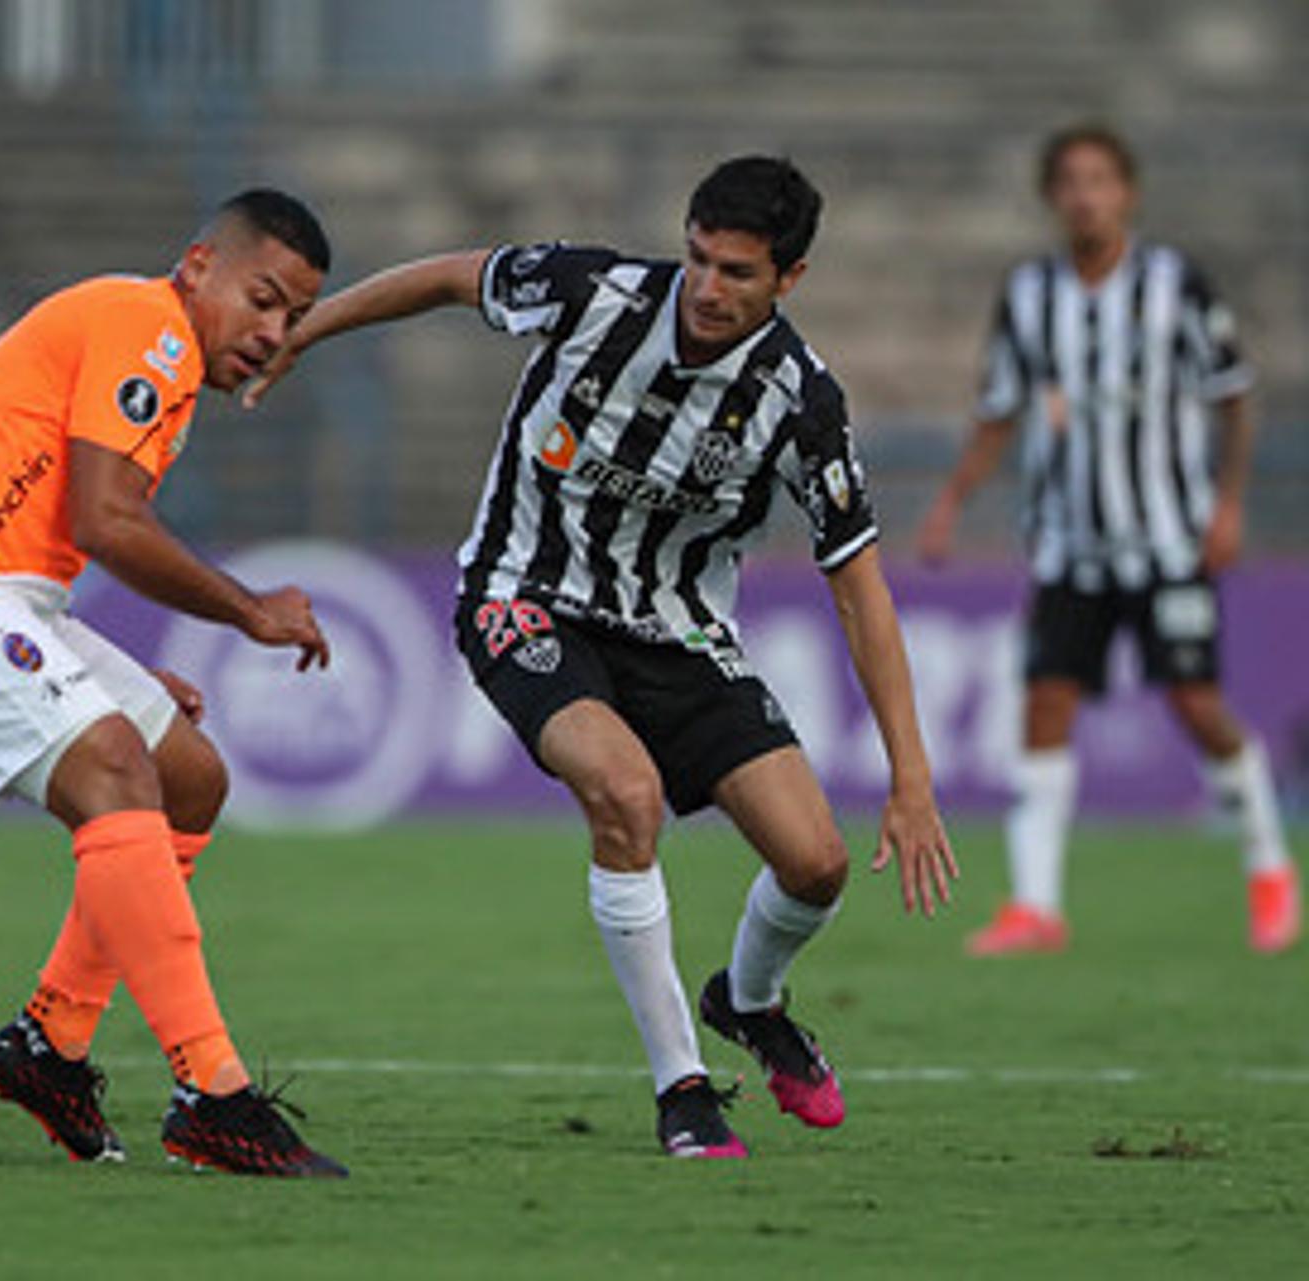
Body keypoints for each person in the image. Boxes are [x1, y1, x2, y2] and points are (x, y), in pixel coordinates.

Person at [246, 156, 958, 1159]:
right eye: (700, 259)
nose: (708, 289)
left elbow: (862, 588)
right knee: (624, 795)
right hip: (524, 600)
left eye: (739, 273)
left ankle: (748, 1003)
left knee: (816, 863)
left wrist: (912, 778)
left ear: (789, 280)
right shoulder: (594, 294)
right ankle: (683, 1090)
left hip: (678, 632)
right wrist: (304, 335)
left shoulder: (802, 401)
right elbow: (456, 276)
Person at [0, 189, 346, 1178]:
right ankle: (215, 1093)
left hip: (3, 603)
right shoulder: (145, 325)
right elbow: (109, 522)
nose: (274, 333)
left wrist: (95, 661)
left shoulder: (159, 359)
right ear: (199, 265)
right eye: (264, 299)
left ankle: (50, 1043)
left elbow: (55, 539)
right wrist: (248, 609)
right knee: (114, 767)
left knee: (187, 776)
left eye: (293, 318)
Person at [918, 124, 1299, 956]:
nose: (1085, 195)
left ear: (1126, 191)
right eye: (1070, 181)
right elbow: (999, 410)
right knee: (1045, 703)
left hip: (1167, 542)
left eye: (1100, 179)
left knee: (1197, 705)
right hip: (1068, 545)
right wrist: (951, 499)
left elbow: (1234, 396)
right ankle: (1035, 903)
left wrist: (1227, 506)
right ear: (1052, 195)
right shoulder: (1028, 294)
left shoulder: (1176, 285)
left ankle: (1270, 866)